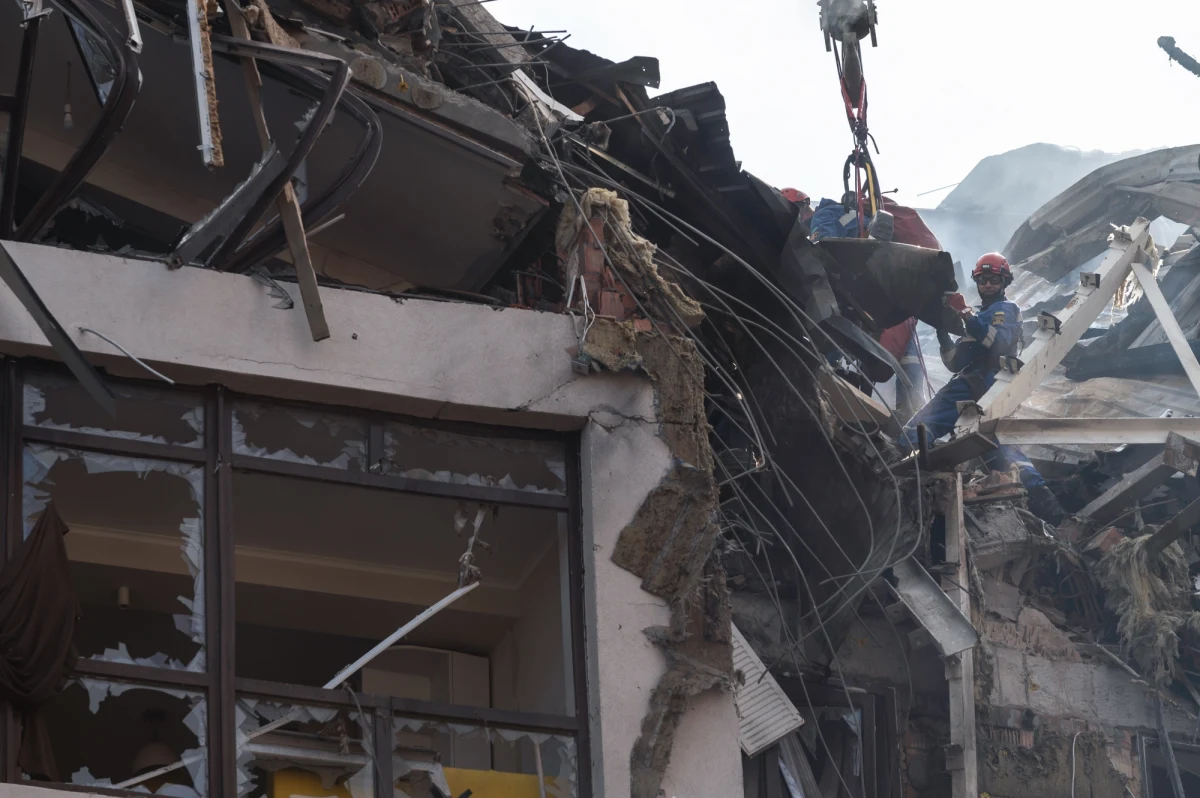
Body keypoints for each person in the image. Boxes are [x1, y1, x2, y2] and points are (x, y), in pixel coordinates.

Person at [899, 253, 1066, 525]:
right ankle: (1053, 511)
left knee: (920, 426)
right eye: (983, 280)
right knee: (1000, 451)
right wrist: (942, 331)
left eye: (993, 280)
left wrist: (966, 314)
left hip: (981, 382)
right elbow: (956, 362)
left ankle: (898, 477)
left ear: (1004, 281)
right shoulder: (978, 316)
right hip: (974, 382)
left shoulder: (1006, 309)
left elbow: (997, 343)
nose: (987, 285)